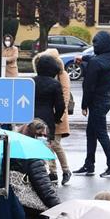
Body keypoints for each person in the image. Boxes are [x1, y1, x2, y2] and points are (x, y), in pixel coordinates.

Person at [75, 29, 110, 178]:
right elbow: (96, 58)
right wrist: (84, 58)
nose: (94, 46)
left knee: (101, 133)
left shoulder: (95, 63)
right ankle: (89, 164)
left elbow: (88, 86)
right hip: (106, 100)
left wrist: (83, 105)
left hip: (96, 102)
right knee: (91, 132)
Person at [35, 50, 72, 185]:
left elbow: (65, 98)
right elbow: (60, 104)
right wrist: (56, 117)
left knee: (52, 145)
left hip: (45, 119)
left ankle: (61, 171)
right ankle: (53, 173)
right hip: (51, 118)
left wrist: (58, 118)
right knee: (49, 145)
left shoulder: (32, 82)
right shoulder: (54, 82)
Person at [33, 54, 66, 151]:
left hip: (30, 118)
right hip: (47, 119)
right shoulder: (55, 84)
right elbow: (60, 106)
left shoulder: (31, 81)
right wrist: (56, 119)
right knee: (46, 147)